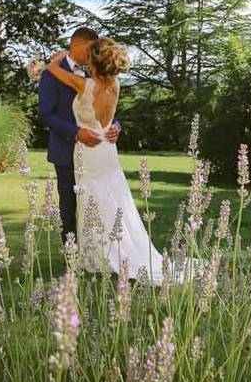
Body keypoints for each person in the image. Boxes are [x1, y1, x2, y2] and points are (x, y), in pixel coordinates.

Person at [44, 37, 181, 284]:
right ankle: (115, 250)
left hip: (88, 149)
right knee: (113, 199)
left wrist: (57, 56)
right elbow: (108, 118)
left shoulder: (84, 85)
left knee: (92, 201)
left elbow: (53, 69)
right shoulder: (115, 84)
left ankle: (100, 256)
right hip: (106, 147)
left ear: (93, 62)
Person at [38, 27, 120, 246]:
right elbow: (45, 113)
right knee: (69, 204)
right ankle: (72, 255)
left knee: (99, 200)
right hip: (65, 150)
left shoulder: (94, 75)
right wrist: (76, 132)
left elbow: (108, 111)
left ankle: (100, 249)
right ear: (76, 45)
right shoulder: (50, 74)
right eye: (90, 48)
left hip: (95, 152)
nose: (93, 53)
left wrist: (115, 126)